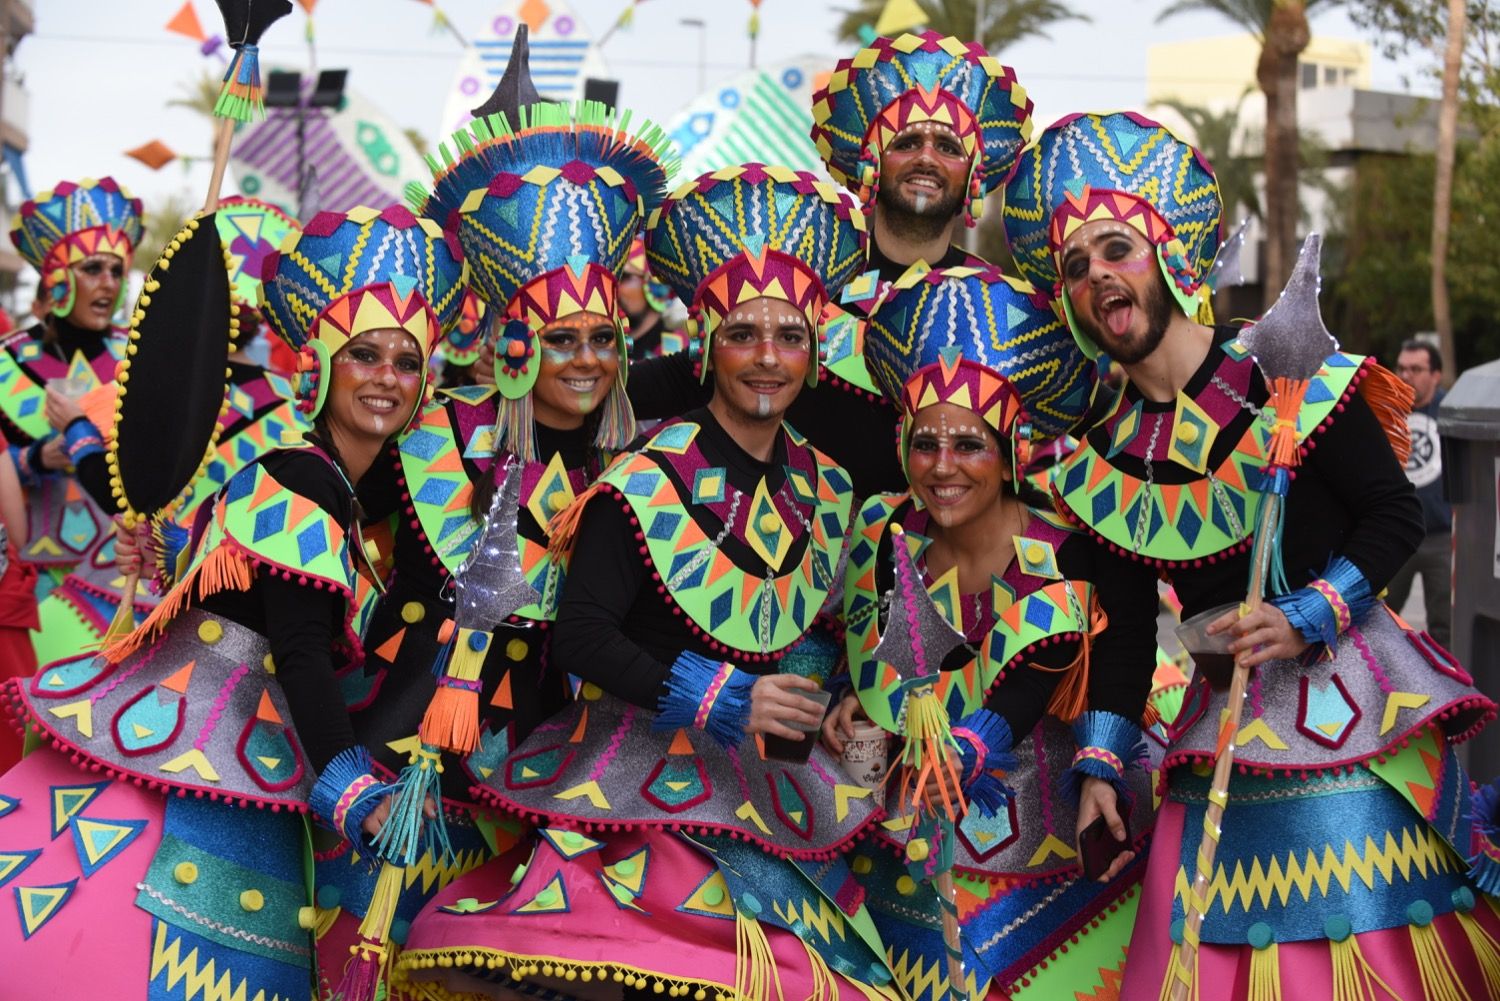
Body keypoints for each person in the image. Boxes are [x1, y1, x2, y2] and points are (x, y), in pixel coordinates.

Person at [1004, 110, 1500, 1000]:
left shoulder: (1285, 373)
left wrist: (1308, 611)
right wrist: (1102, 766)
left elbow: (1391, 516)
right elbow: (1119, 640)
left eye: (1116, 247)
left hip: (1354, 715)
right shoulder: (1104, 456)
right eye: (1076, 267)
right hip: (1222, 730)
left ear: (1167, 254)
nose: (1097, 274)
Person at [396, 163, 897, 999]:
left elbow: (841, 637)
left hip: (779, 793)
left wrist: (851, 707)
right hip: (638, 798)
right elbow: (583, 637)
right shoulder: (643, 473)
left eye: (790, 336)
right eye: (743, 334)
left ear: (814, 349)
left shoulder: (832, 486)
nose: (767, 358)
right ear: (705, 343)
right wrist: (728, 698)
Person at [0, 204, 465, 999]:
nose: (386, 375)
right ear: (320, 366)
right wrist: (352, 789)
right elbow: (300, 647)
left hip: (208, 729)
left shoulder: (324, 473)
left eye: (403, 360)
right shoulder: (305, 476)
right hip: (219, 748)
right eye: (364, 355)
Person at [315, 92, 676, 973]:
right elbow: (324, 499)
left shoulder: (636, 465)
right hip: (401, 751)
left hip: (553, 772)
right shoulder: (430, 432)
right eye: (561, 338)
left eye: (602, 337)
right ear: (517, 343)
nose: (587, 358)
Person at [823, 262, 1159, 1001]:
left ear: (1008, 451)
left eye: (969, 444)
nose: (942, 467)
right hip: (916, 817)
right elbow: (879, 652)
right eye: (925, 443)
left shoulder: (1068, 544)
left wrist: (1092, 759)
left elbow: (1044, 674)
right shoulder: (887, 532)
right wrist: (849, 696)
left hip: (1050, 814)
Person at [624, 31, 1034, 499]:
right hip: (792, 552)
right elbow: (698, 370)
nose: (926, 157)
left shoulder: (995, 303)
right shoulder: (808, 274)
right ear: (871, 160)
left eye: (948, 145)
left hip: (933, 564)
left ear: (973, 172)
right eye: (907, 141)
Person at [4, 177, 149, 665]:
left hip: (128, 572)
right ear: (58, 280)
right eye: (93, 268)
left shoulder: (141, 358)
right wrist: (33, 459)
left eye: (116, 270)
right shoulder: (7, 362)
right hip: (37, 576)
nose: (109, 282)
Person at [1387, 338, 1452, 648]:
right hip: (1397, 535)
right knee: (1383, 621)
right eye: (1401, 367)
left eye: (1416, 369)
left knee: (1445, 626)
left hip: (1441, 538)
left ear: (1436, 375)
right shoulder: (1386, 410)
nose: (1406, 375)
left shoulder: (1451, 413)